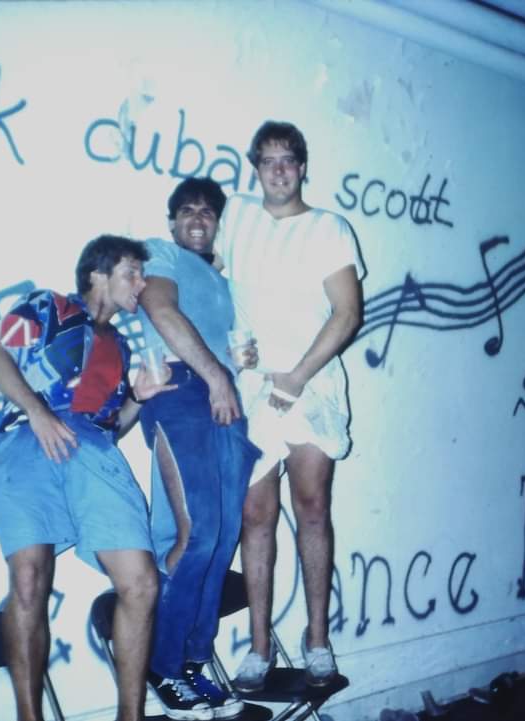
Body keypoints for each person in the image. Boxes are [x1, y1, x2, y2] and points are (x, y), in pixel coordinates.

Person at [0, 235, 174, 721]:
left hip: (91, 448)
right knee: (28, 578)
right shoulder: (49, 306)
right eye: (132, 272)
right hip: (30, 438)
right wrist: (38, 412)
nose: (141, 284)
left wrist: (139, 399)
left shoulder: (122, 346)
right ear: (97, 274)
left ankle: (131, 716)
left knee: (142, 583)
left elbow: (113, 428)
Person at [214, 121, 365, 690]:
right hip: (253, 390)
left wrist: (299, 376)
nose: (278, 170)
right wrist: (232, 344)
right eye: (268, 160)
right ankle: (259, 647)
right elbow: (209, 286)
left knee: (313, 509)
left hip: (310, 385)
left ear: (303, 166)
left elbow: (347, 313)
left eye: (289, 160)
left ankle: (318, 638)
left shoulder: (329, 229)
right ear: (254, 166)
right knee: (255, 516)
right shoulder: (237, 219)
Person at [135, 178, 261, 719]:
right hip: (186, 391)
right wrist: (215, 375)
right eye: (187, 210)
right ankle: (160, 666)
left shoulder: (224, 280)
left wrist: (240, 363)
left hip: (225, 396)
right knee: (199, 533)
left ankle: (191, 661)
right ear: (171, 222)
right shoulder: (160, 254)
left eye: (208, 213)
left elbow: (232, 345)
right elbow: (161, 311)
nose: (198, 218)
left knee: (225, 534)